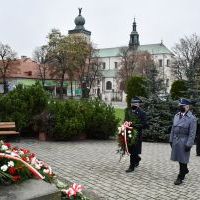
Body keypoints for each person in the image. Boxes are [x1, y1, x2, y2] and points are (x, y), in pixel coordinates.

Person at [169, 98, 197, 185]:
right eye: (180, 105)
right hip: (176, 139)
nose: (180, 107)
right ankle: (185, 170)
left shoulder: (192, 118)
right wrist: (171, 139)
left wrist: (189, 144)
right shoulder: (176, 115)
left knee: (183, 159)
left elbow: (192, 133)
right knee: (179, 158)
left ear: (187, 107)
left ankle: (180, 176)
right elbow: (173, 129)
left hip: (184, 140)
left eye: (182, 106)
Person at [124, 96, 147, 173]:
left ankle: (131, 166)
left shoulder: (142, 113)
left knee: (134, 151)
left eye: (135, 103)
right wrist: (125, 125)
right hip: (129, 134)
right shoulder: (128, 112)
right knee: (130, 150)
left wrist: (134, 126)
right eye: (132, 103)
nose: (133, 105)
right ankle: (137, 159)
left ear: (138, 105)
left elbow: (144, 125)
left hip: (137, 135)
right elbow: (125, 121)